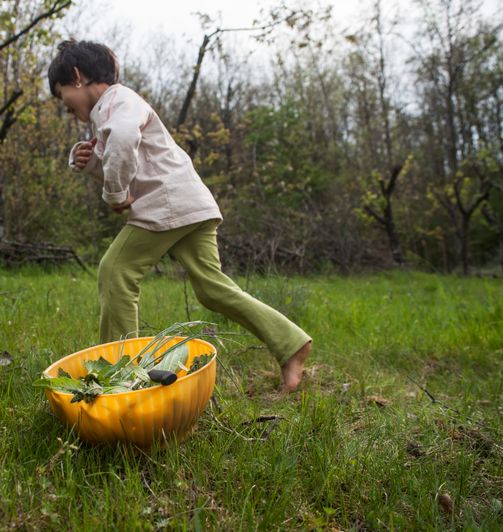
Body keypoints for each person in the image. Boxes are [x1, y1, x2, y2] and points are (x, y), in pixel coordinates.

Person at [47, 40, 312, 390]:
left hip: (166, 205)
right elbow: (131, 158)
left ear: (77, 77)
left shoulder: (118, 102)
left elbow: (124, 142)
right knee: (212, 288)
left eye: (61, 93)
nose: (66, 108)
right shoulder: (113, 111)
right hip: (191, 203)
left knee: (116, 271)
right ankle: (291, 343)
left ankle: (120, 375)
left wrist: (115, 194)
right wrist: (92, 162)